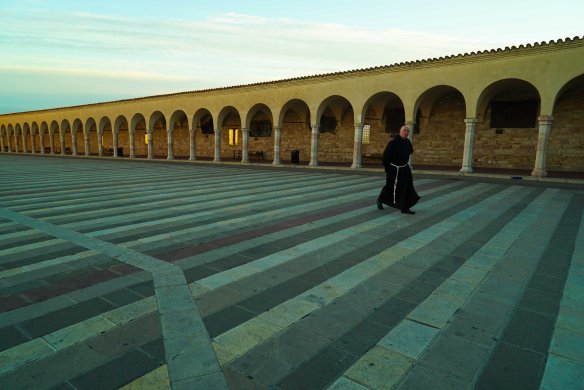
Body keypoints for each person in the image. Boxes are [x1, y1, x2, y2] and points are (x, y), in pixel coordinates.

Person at [376, 125, 420, 214]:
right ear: (400, 132)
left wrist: (406, 167)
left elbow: (409, 154)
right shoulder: (393, 142)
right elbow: (386, 157)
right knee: (390, 186)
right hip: (393, 168)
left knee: (406, 187)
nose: (406, 132)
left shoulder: (408, 142)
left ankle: (404, 207)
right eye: (404, 130)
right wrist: (388, 168)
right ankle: (380, 200)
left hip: (404, 168)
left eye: (408, 131)